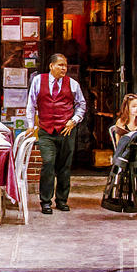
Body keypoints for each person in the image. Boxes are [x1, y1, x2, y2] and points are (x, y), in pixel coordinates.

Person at [25, 53, 87, 215]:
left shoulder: (73, 84)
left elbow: (81, 104)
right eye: (60, 65)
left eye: (65, 66)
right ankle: (45, 201)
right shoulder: (38, 81)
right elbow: (31, 103)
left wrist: (74, 120)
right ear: (51, 66)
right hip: (46, 130)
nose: (63, 69)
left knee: (64, 167)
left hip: (66, 130)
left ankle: (61, 200)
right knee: (48, 163)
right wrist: (31, 125)